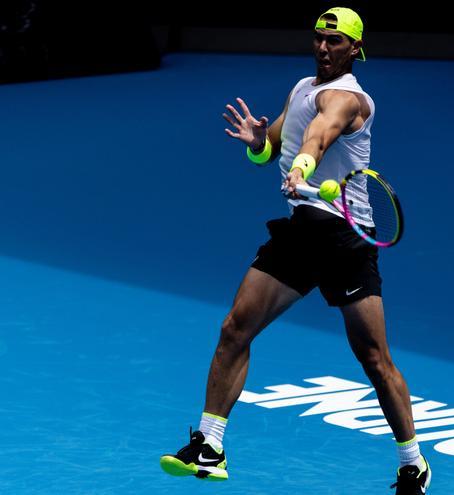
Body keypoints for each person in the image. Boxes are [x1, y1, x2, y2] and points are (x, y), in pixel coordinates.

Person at [159, 7, 431, 494]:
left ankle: (412, 462)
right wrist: (258, 142)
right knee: (234, 328)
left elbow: (318, 136)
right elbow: (276, 145)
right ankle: (210, 445)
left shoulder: (349, 99)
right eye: (319, 39)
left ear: (356, 49)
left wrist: (304, 166)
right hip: (301, 232)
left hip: (347, 239)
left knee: (373, 358)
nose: (324, 48)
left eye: (336, 41)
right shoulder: (302, 87)